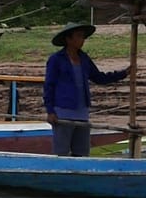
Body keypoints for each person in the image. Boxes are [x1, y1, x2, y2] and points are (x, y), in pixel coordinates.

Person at [42, 18, 126, 156]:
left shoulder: (84, 58)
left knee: (81, 153)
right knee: (61, 152)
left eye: (83, 36)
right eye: (79, 36)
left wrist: (123, 74)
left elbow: (99, 77)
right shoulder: (56, 59)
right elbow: (49, 85)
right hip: (63, 112)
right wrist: (50, 110)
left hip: (82, 113)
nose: (82, 40)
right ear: (68, 39)